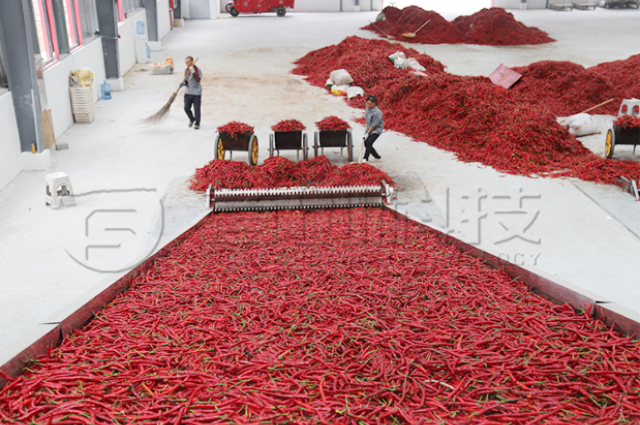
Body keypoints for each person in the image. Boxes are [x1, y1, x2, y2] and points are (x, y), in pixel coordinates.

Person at [180, 56, 202, 129]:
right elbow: (186, 80)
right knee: (186, 108)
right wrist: (184, 83)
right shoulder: (186, 70)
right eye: (186, 63)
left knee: (197, 109)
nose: (187, 64)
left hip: (196, 93)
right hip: (188, 92)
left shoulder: (198, 70)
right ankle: (192, 119)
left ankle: (197, 123)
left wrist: (193, 72)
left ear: (192, 62)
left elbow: (198, 80)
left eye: (188, 62)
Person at [363, 95, 383, 163]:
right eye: (367, 103)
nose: (368, 105)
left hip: (376, 129)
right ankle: (377, 157)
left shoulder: (377, 112)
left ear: (374, 103)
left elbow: (374, 125)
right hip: (369, 128)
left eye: (370, 104)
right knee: (366, 143)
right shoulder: (367, 107)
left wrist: (367, 133)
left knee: (369, 142)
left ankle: (365, 159)